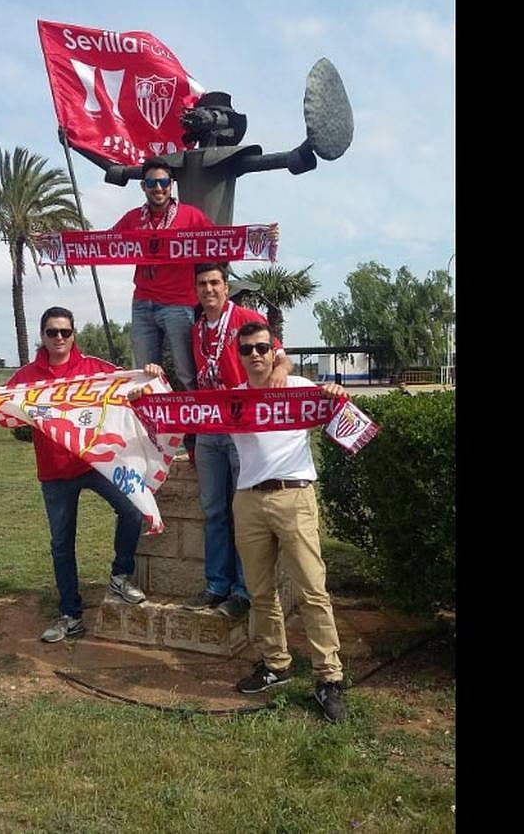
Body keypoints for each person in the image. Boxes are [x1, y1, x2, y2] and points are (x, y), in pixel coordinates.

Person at [0, 306, 163, 644]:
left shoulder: (93, 369)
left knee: (131, 510)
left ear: (73, 335)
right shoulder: (27, 377)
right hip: (54, 472)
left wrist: (149, 375)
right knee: (61, 545)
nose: (59, 338)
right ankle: (71, 614)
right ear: (42, 335)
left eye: (65, 332)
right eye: (52, 332)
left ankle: (120, 575)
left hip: (94, 464)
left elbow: (127, 385)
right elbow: (2, 408)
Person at [228, 321, 348, 722]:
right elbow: (179, 411)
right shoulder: (230, 399)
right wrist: (147, 387)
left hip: (294, 496)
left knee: (313, 590)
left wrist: (335, 396)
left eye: (262, 347)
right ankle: (276, 664)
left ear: (274, 350)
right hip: (248, 500)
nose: (255, 354)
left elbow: (342, 419)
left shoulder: (299, 386)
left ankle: (328, 677)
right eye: (247, 349)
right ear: (239, 355)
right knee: (260, 593)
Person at [182, 263, 293, 620]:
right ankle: (217, 585)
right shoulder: (197, 329)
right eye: (202, 283)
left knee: (242, 511)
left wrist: (279, 371)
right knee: (214, 510)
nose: (208, 289)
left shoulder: (246, 316)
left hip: (241, 427)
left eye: (215, 282)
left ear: (226, 288)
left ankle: (245, 591)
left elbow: (280, 355)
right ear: (196, 290)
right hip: (208, 428)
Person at [111, 159, 215, 462]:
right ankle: (150, 440)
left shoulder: (190, 215)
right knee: (144, 376)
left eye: (164, 183)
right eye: (152, 183)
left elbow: (219, 243)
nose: (158, 188)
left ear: (172, 186)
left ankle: (198, 440)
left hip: (179, 303)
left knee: (186, 373)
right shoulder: (133, 218)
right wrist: (58, 244)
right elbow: (105, 243)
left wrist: (259, 238)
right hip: (143, 302)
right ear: (143, 187)